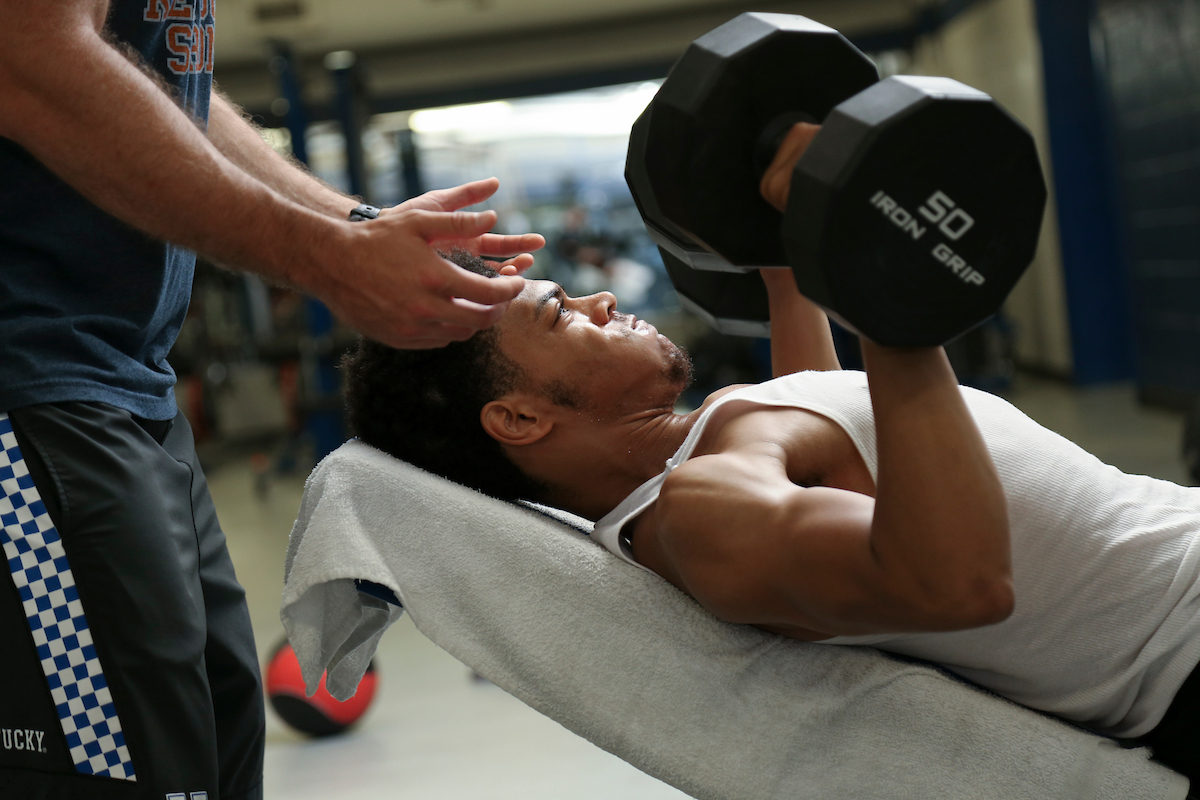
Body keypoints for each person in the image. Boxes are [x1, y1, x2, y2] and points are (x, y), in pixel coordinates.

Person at [341, 124, 1200, 783]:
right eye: (560, 314)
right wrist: (886, 298)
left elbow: (822, 415)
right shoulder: (705, 512)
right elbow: (956, 583)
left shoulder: (718, 447)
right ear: (520, 419)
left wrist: (789, 261)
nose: (601, 298)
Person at [0, 1, 542, 797]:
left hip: (128, 387)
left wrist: (355, 225)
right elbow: (26, 57)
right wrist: (326, 256)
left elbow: (158, 83)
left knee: (208, 756)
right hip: (28, 385)